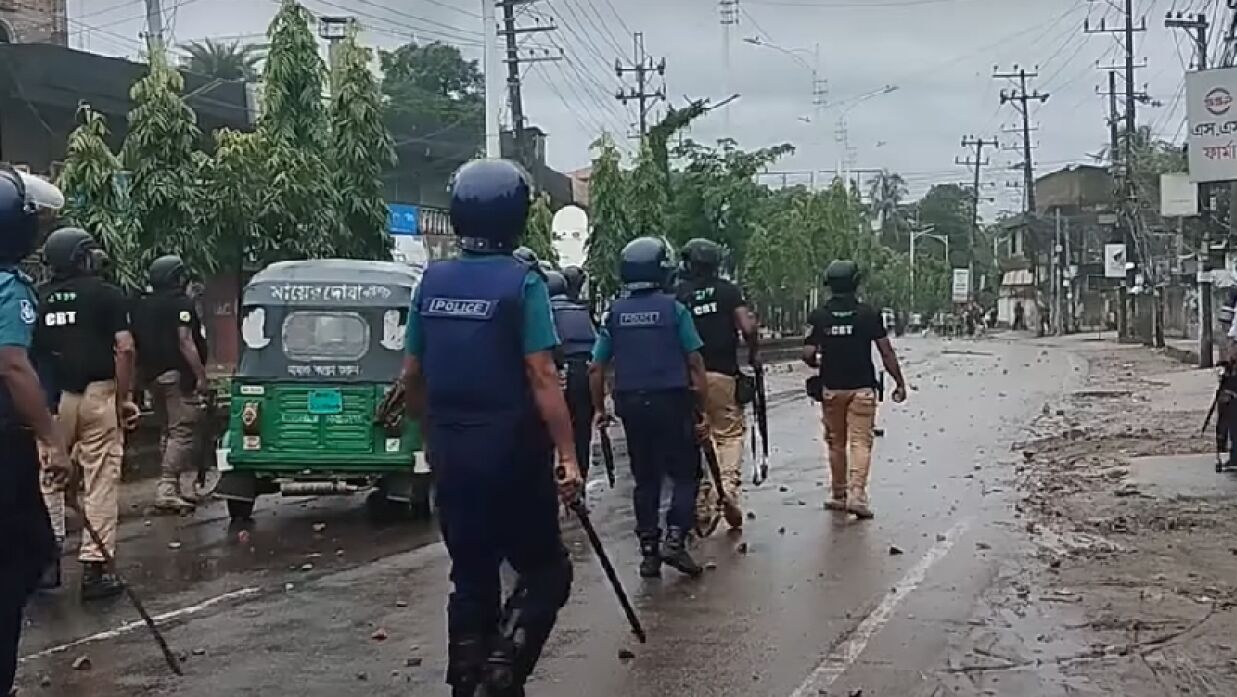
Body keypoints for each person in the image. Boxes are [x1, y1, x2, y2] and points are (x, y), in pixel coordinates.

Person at [401, 158, 581, 697]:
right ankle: (505, 664)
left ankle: (465, 679)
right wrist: (568, 455)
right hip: (512, 453)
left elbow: (411, 374)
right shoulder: (522, 284)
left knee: (471, 575)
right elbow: (542, 375)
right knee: (547, 572)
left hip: (452, 452)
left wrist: (429, 435)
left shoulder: (430, 282)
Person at [591, 236, 710, 579]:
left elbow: (596, 367)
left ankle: (648, 553)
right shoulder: (675, 310)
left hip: (631, 404)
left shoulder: (613, 313)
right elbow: (695, 363)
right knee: (686, 473)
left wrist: (600, 409)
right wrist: (701, 409)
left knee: (645, 479)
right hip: (673, 402)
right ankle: (675, 537)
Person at [34, 227, 138, 598]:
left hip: (51, 403)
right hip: (98, 396)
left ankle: (47, 564)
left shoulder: (37, 298)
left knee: (49, 479)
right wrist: (124, 398)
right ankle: (96, 570)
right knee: (101, 479)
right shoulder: (106, 294)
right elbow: (124, 349)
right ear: (83, 258)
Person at [0, 167, 72, 695]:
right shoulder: (9, 289)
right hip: (4, 445)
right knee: (22, 555)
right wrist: (50, 438)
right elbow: (13, 366)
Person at [803, 260, 908, 519]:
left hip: (831, 389)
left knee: (836, 443)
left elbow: (807, 353)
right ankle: (857, 495)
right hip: (863, 389)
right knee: (861, 442)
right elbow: (886, 351)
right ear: (856, 283)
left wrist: (823, 361)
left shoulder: (819, 315)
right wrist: (899, 382)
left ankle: (839, 495)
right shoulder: (868, 314)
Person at [675, 238, 758, 535]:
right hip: (722, 373)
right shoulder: (727, 291)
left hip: (685, 379)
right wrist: (753, 354)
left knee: (698, 438)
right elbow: (747, 328)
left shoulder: (678, 294)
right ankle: (728, 492)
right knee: (730, 434)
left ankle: (702, 500)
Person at [131, 255, 208, 513]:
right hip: (176, 376)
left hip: (151, 377)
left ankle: (174, 487)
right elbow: (185, 340)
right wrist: (200, 375)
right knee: (183, 430)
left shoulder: (141, 305)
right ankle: (166, 487)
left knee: (168, 429)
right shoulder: (179, 304)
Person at [546, 268, 597, 494]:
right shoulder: (581, 312)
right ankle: (579, 481)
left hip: (554, 376)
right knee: (582, 432)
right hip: (583, 375)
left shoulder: (542, 314)